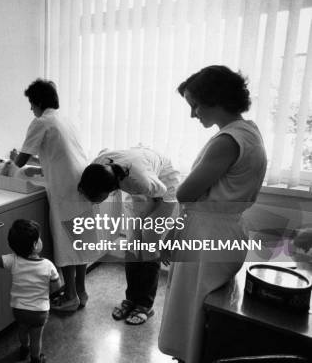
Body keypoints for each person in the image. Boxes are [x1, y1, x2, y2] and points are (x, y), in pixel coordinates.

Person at [158, 65, 267, 363]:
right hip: (222, 229)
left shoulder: (227, 141)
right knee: (198, 305)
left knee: (192, 309)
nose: (193, 114)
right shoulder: (249, 132)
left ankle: (189, 356)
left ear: (215, 99)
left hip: (209, 236)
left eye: (195, 105)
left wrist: (176, 231)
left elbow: (185, 193)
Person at [12, 79, 102, 312]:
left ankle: (70, 297)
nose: (31, 108)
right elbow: (56, 153)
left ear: (39, 102)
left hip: (65, 190)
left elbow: (20, 160)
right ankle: (81, 292)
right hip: (83, 186)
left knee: (67, 246)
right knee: (80, 244)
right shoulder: (64, 119)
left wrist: (11, 159)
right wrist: (40, 165)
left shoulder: (41, 121)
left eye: (31, 103)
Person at [78, 147, 179, 325]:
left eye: (95, 198)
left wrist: (148, 228)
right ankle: (131, 299)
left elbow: (161, 193)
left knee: (148, 248)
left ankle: (145, 305)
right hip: (141, 179)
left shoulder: (140, 182)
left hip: (163, 190)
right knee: (132, 247)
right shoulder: (97, 166)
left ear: (110, 189)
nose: (93, 202)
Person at [0, 220, 60, 363]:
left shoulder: (13, 260)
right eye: (38, 238)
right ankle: (35, 358)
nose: (40, 240)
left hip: (19, 309)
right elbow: (56, 286)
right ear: (34, 245)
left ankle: (24, 348)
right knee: (36, 338)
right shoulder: (48, 265)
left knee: (22, 330)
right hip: (39, 311)